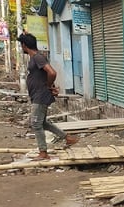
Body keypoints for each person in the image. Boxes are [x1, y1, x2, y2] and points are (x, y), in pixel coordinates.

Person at [17, 32, 78, 161]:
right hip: (38, 95)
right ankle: (67, 138)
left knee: (36, 123)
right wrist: (50, 86)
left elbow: (52, 72)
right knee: (42, 123)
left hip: (40, 95)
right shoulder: (35, 58)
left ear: (24, 45)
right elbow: (45, 74)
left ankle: (43, 152)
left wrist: (49, 86)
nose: (21, 48)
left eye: (21, 45)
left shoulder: (38, 57)